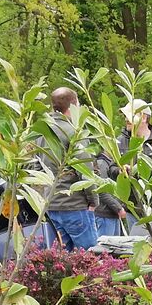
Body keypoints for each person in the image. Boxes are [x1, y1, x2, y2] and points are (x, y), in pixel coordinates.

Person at [42, 87, 99, 251]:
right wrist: (93, 200)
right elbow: (85, 170)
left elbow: (35, 167)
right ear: (73, 106)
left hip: (51, 204)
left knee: (59, 259)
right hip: (75, 204)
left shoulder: (42, 131)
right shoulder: (75, 132)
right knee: (89, 257)